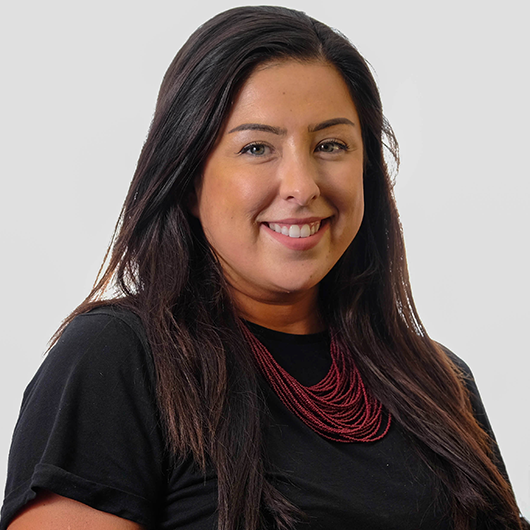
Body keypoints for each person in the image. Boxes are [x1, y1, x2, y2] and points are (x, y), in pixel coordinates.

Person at [0, 5, 527, 530]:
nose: (303, 185)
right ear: (187, 178)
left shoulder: (438, 381)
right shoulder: (118, 359)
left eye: (330, 145)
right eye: (256, 147)